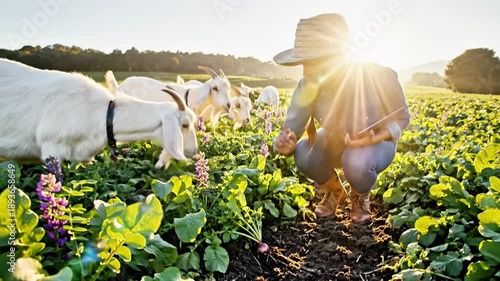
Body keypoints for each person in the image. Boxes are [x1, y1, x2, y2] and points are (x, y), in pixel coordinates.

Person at [273, 13, 410, 224]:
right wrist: (285, 142)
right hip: (334, 140)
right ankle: (336, 192)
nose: (306, 70)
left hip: (377, 146)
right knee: (303, 153)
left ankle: (360, 197)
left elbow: (401, 118)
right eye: (303, 62)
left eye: (314, 61)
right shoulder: (308, 85)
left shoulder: (378, 76)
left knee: (356, 161)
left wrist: (373, 137)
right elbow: (292, 128)